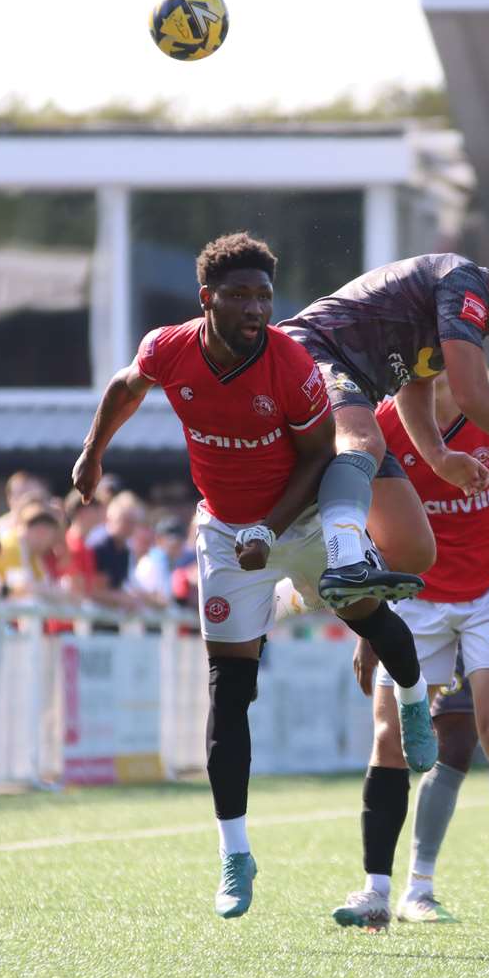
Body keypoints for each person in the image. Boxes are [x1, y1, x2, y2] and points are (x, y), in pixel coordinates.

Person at [69, 232, 428, 920]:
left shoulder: (290, 365)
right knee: (229, 694)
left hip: (298, 525)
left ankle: (412, 702)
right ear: (207, 299)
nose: (256, 308)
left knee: (376, 624)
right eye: (240, 295)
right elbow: (125, 385)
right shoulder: (169, 347)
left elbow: (320, 455)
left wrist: (268, 528)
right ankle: (235, 855)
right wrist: (92, 454)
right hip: (225, 534)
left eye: (265, 295)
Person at [331, 367, 489, 935]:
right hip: (416, 593)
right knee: (389, 736)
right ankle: (377, 892)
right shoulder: (383, 422)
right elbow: (367, 514)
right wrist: (368, 624)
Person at [275, 249, 489, 614]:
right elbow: (472, 392)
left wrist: (438, 456)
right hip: (309, 351)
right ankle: (345, 562)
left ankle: (281, 601)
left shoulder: (458, 322)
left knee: (413, 551)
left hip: (348, 387)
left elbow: (414, 381)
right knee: (365, 442)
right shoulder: (464, 284)